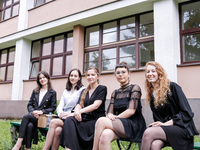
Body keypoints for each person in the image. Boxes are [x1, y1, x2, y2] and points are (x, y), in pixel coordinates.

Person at [140, 61, 199, 150]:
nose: (150, 74)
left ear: (159, 73)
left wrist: (165, 124)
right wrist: (161, 125)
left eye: (153, 71)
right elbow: (158, 118)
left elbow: (187, 113)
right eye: (148, 72)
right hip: (167, 130)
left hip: (182, 128)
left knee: (148, 133)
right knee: (155, 145)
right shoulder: (152, 95)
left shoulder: (173, 87)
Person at [92, 62, 146, 150]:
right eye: (118, 73)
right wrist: (110, 115)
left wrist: (116, 118)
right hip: (119, 124)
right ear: (115, 75)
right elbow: (110, 112)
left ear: (129, 74)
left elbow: (131, 111)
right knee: (105, 136)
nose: (120, 74)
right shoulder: (115, 92)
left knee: (101, 121)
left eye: (123, 72)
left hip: (134, 125)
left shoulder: (135, 88)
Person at [60, 66, 107, 150]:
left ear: (98, 76)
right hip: (84, 118)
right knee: (69, 120)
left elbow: (95, 105)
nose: (90, 77)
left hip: (95, 120)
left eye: (92, 75)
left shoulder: (102, 88)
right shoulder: (84, 90)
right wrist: (77, 111)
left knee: (70, 119)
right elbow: (79, 104)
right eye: (88, 75)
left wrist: (78, 112)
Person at [12, 71, 57, 150]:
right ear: (38, 80)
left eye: (44, 77)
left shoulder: (52, 93)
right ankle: (27, 148)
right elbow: (30, 104)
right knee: (29, 126)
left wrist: (41, 112)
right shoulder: (35, 91)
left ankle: (18, 144)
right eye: (40, 78)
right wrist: (33, 112)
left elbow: (53, 108)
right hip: (33, 116)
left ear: (48, 78)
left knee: (26, 117)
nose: (42, 79)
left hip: (44, 118)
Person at [43, 68, 85, 150]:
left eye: (75, 76)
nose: (73, 78)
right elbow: (60, 105)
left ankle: (45, 148)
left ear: (79, 78)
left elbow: (80, 105)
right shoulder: (66, 90)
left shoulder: (82, 90)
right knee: (57, 131)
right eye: (71, 75)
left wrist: (68, 113)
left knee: (53, 122)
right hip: (63, 117)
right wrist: (61, 113)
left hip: (74, 118)